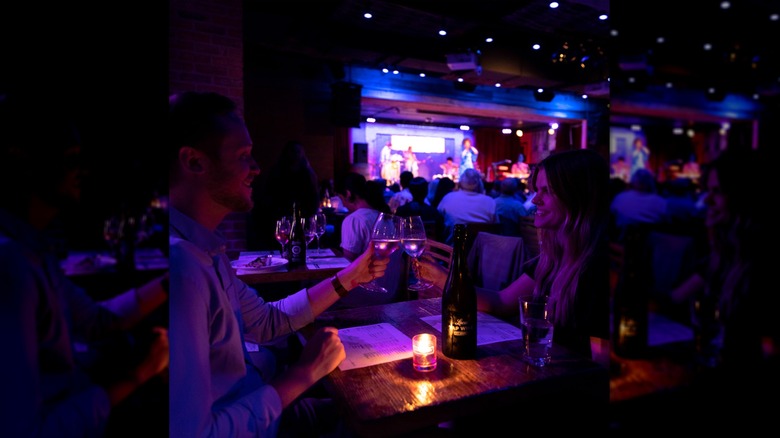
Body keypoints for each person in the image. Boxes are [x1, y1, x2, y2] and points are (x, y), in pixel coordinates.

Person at [167, 91, 388, 437]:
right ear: (194, 162)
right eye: (243, 156)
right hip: (257, 425)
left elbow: (269, 321)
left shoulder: (209, 253)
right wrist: (304, 373)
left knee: (378, 404)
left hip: (263, 408)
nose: (256, 168)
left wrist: (351, 276)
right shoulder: (182, 268)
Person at [0, 88, 170, 437]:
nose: (84, 171)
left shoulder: (33, 250)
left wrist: (173, 280)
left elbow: (97, 321)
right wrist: (140, 373)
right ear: (27, 161)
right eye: (71, 158)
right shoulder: (11, 266)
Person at [420, 149, 610, 361]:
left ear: (577, 198)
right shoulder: (551, 260)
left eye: (548, 191)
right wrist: (440, 276)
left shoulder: (599, 268)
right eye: (537, 190)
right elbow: (501, 302)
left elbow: (601, 362)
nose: (536, 199)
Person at [332, 172, 404, 309]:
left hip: (365, 293)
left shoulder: (354, 219)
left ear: (348, 194)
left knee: (309, 286)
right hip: (391, 291)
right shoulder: (386, 218)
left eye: (341, 199)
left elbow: (347, 264)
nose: (344, 205)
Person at [250, 140, 320, 249]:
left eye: (298, 151)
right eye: (293, 151)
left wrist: (310, 216)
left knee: (300, 248)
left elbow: (313, 196)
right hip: (280, 217)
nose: (296, 154)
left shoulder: (308, 174)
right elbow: (269, 194)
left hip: (303, 217)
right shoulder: (277, 172)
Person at [436, 168, 496, 245]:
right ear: (479, 183)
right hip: (482, 252)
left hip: (452, 251)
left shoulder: (448, 198)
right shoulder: (490, 201)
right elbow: (495, 226)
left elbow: (439, 221)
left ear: (460, 182)